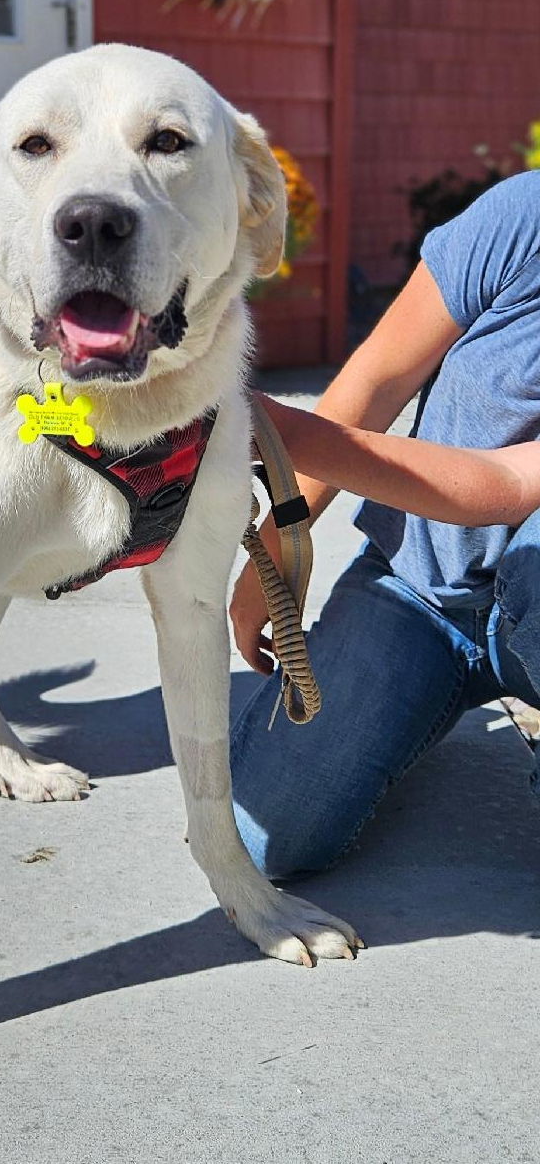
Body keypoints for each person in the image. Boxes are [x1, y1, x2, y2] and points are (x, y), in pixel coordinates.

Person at [229, 169, 540, 879]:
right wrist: (277, 551)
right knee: (263, 839)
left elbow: (504, 485)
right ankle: (412, 695)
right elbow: (374, 381)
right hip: (422, 592)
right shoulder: (528, 214)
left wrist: (276, 429)